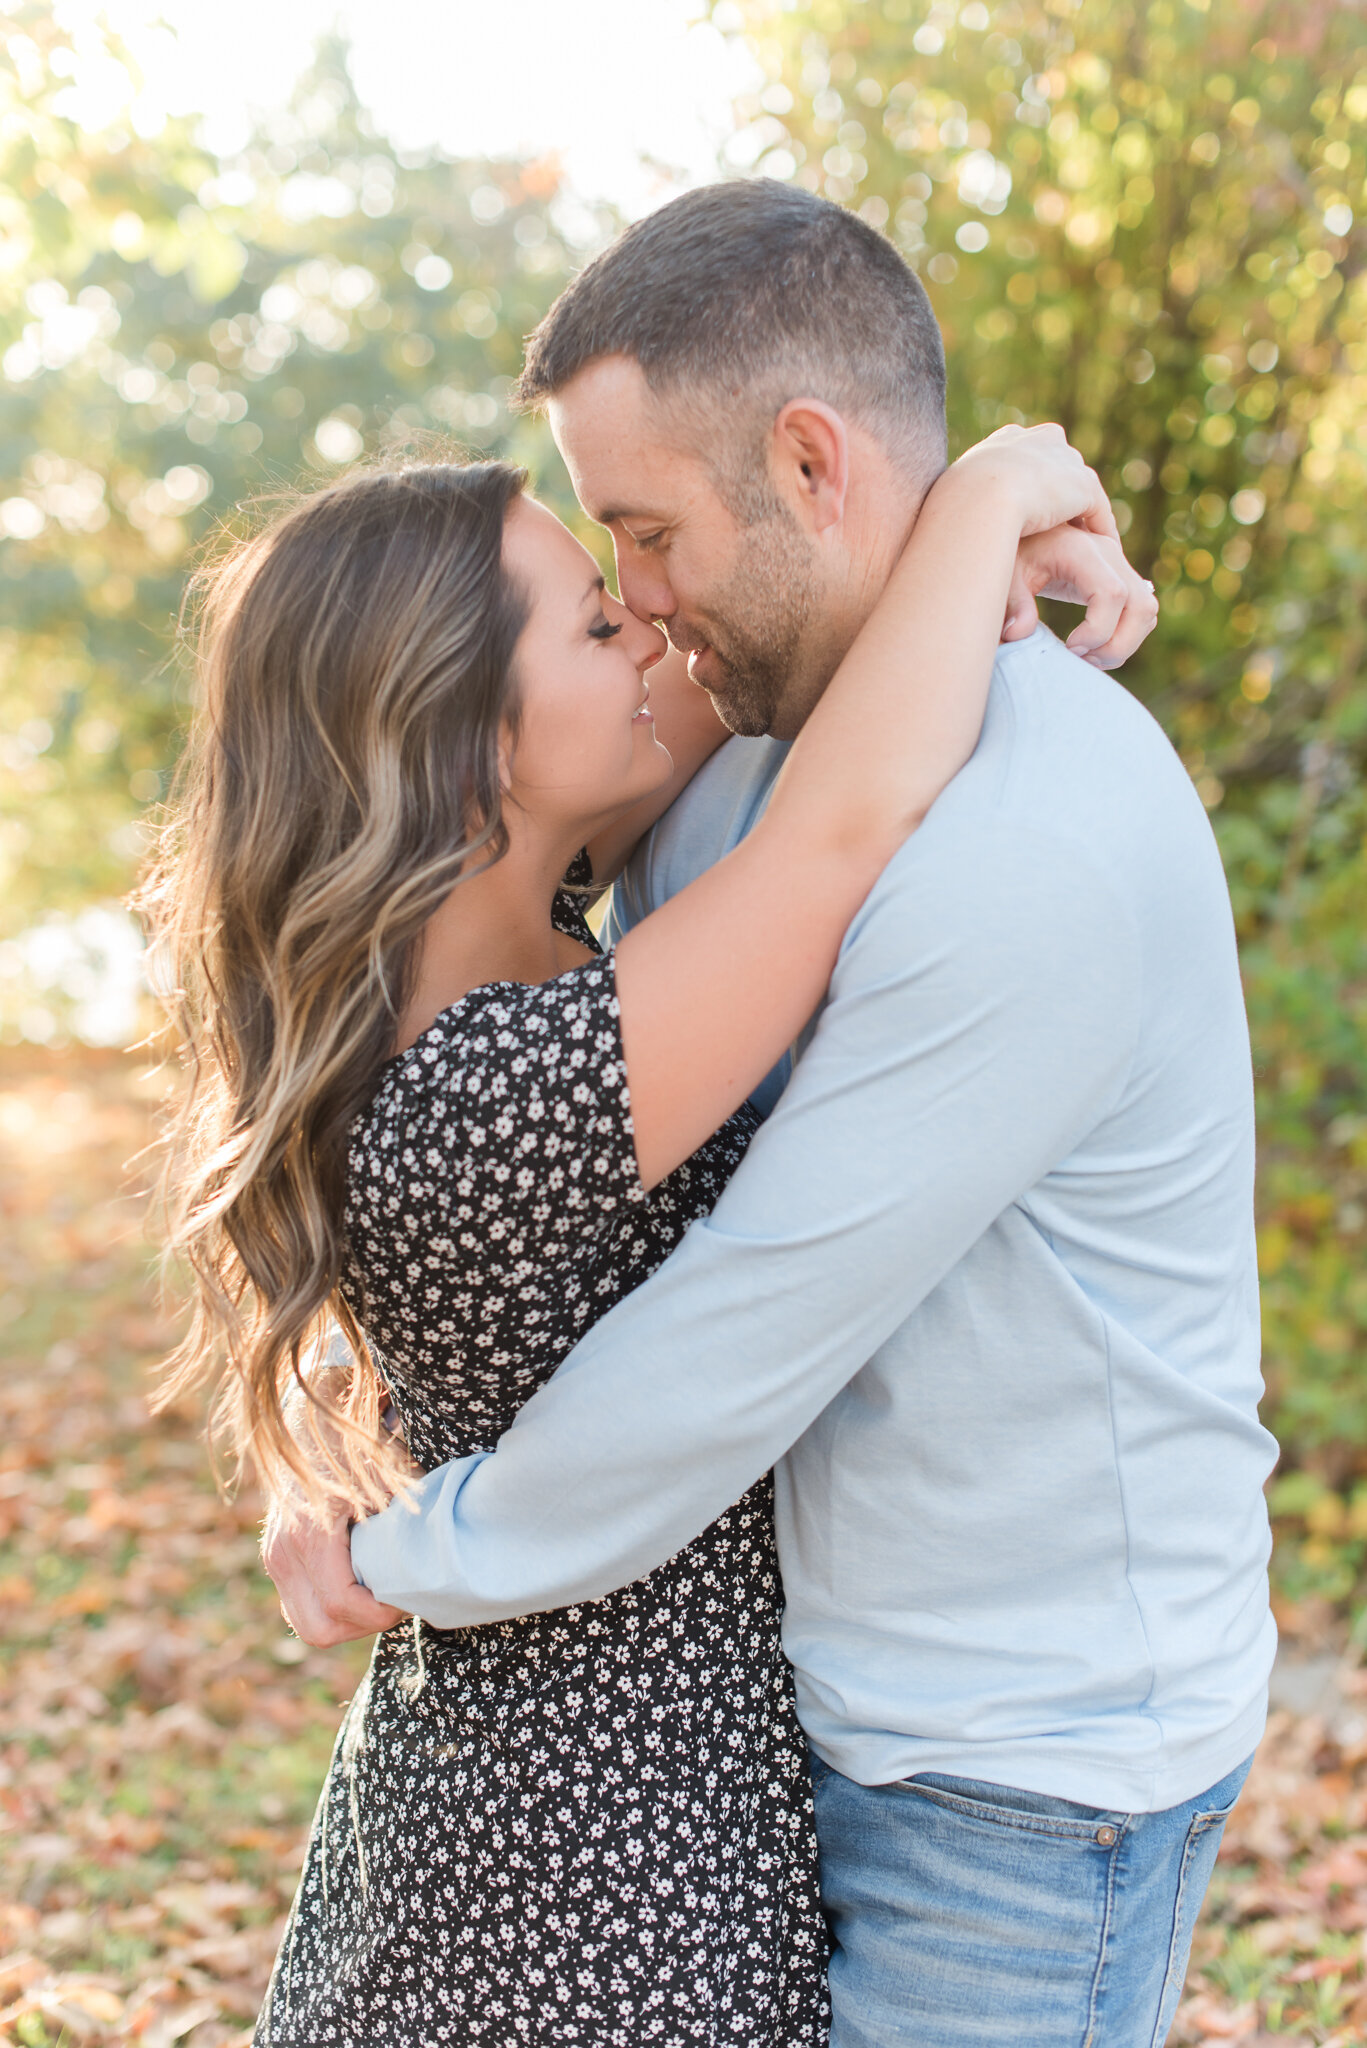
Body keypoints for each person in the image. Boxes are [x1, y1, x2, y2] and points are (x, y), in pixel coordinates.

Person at [267, 182, 1276, 2048]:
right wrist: (985, 497)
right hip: (709, 1757)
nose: (638, 609)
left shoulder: (1024, 835)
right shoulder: (741, 772)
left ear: (809, 461)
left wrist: (403, 1540)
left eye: (641, 537)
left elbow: (738, 1328)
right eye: (595, 581)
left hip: (1010, 1769)